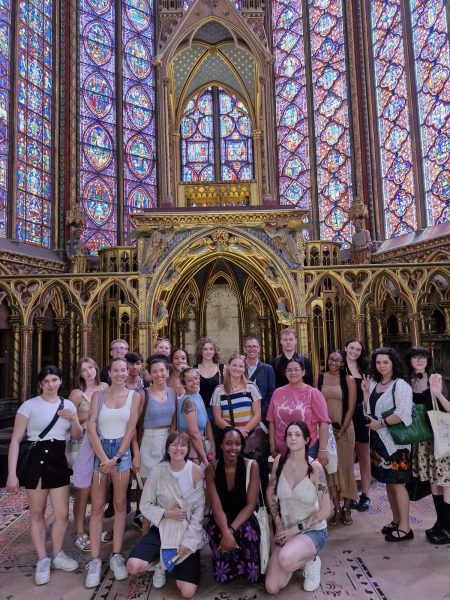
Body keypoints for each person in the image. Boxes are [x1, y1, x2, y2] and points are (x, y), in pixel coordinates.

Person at [6, 365, 83, 586]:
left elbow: (77, 435)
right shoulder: (29, 406)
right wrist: (12, 473)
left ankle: (57, 554)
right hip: (36, 461)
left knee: (61, 514)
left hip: (58, 460)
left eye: (54, 380)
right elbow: (16, 440)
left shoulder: (68, 404)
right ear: (41, 384)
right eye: (46, 381)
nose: (51, 384)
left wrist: (73, 418)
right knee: (37, 513)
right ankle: (42, 559)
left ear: (60, 381)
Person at [127, 431, 205, 598]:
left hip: (186, 531)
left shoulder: (196, 471)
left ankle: (174, 562)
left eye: (183, 445)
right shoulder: (158, 472)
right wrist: (167, 513)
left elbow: (199, 511)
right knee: (133, 566)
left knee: (187, 592)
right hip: (162, 528)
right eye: (174, 445)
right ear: (167, 449)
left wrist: (190, 542)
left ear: (188, 449)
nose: (178, 448)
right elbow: (145, 505)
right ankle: (160, 565)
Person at [84, 357, 141, 588]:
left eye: (123, 370)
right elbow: (90, 426)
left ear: (128, 373)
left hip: (121, 452)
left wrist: (117, 457)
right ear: (109, 372)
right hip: (101, 450)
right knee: (97, 507)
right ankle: (95, 559)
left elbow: (131, 428)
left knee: (120, 505)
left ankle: (116, 554)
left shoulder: (134, 396)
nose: (119, 374)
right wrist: (103, 459)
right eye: (115, 370)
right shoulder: (99, 395)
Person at [265, 421, 330, 594]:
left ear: (306, 439)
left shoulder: (315, 469)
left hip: (312, 530)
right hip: (285, 530)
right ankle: (295, 557)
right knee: (271, 587)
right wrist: (278, 524)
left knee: (285, 559)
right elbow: (270, 493)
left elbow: (325, 511)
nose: (293, 438)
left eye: (297, 435)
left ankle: (311, 560)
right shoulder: (280, 461)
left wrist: (295, 530)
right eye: (289, 434)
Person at [362, 347, 414, 542]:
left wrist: (381, 423)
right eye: (378, 362)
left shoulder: (400, 385)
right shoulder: (375, 383)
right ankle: (396, 519)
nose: (381, 365)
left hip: (395, 443)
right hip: (379, 440)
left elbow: (403, 413)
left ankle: (406, 527)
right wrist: (366, 393)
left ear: (393, 363)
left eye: (385, 362)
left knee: (398, 483)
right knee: (388, 483)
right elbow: (369, 410)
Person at [405, 346, 450, 544]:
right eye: (415, 357)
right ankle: (441, 521)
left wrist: (438, 394)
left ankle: (449, 527)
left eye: (422, 357)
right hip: (422, 441)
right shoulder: (408, 382)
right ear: (409, 362)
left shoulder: (435, 378)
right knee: (434, 482)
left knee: (446, 482)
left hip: (440, 437)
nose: (419, 360)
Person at [205, 427, 261, 583]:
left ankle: (247, 570)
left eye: (237, 444)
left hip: (245, 516)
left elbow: (250, 505)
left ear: (242, 446)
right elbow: (216, 507)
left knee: (247, 532)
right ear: (221, 445)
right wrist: (225, 531)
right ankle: (228, 570)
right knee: (214, 532)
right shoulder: (212, 469)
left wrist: (230, 531)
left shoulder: (252, 466)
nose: (233, 448)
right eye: (228, 443)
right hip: (221, 516)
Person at [68, 358, 109, 552]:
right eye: (84, 370)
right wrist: (91, 414)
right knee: (83, 489)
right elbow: (69, 418)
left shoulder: (105, 386)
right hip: (81, 443)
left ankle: (93, 527)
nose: (89, 372)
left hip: (100, 443)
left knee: (98, 490)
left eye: (91, 367)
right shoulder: (77, 393)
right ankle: (78, 531)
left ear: (96, 368)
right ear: (80, 374)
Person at [316, 350, 357, 525]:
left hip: (344, 430)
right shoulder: (320, 378)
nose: (334, 362)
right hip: (326, 430)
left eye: (338, 360)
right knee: (330, 470)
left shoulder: (348, 380)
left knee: (346, 468)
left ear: (342, 363)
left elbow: (351, 406)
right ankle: (336, 509)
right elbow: (316, 403)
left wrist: (343, 428)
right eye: (331, 359)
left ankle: (347, 508)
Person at [267, 358, 330, 468]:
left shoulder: (313, 393)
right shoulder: (277, 393)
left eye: (296, 369)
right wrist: (272, 445)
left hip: (307, 447)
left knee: (305, 482)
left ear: (303, 372)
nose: (293, 373)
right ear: (285, 372)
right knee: (286, 482)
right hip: (282, 448)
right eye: (289, 370)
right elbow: (271, 420)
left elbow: (323, 422)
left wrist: (322, 449)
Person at [211, 352, 262, 448]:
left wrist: (244, 432)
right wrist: (235, 432)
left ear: (244, 369)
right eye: (234, 365)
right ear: (228, 367)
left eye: (240, 366)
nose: (237, 368)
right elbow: (218, 419)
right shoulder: (218, 390)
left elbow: (257, 415)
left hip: (249, 436)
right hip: (229, 438)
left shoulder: (251, 388)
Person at [344, 339, 371, 512]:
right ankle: (351, 493)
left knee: (364, 455)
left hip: (361, 413)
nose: (354, 351)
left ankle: (365, 495)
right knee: (347, 456)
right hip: (344, 414)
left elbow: (368, 396)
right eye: (352, 348)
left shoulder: (365, 370)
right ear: (345, 348)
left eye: (358, 349)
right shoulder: (339, 367)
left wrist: (366, 391)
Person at [177, 367, 216, 467]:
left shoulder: (198, 396)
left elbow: (207, 423)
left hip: (202, 445)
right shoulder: (188, 401)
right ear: (183, 384)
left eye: (196, 378)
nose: (195, 382)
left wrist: (212, 446)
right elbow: (193, 433)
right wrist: (204, 457)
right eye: (189, 380)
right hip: (191, 450)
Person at [243, 336, 275, 421]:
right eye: (248, 346)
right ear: (244, 349)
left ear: (259, 349)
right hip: (242, 413)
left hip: (262, 415)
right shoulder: (239, 368)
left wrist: (261, 413)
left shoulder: (268, 369)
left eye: (254, 346)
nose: (251, 349)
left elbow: (271, 394)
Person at [194, 336, 224, 418]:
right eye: (205, 349)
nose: (208, 351)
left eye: (211, 349)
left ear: (215, 351)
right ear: (200, 351)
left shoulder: (222, 368)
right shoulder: (193, 369)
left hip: (218, 411)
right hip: (198, 410)